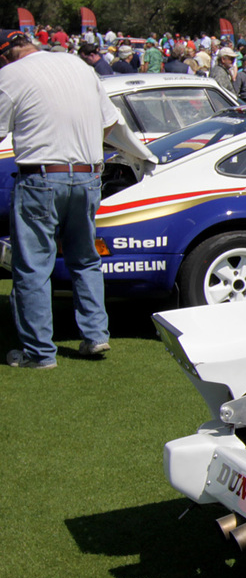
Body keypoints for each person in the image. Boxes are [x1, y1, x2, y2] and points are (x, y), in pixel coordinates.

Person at [0, 31, 155, 368]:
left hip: (42, 175)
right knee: (85, 259)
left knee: (32, 266)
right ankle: (96, 334)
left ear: (6, 55)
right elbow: (108, 123)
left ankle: (39, 353)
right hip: (87, 174)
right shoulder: (78, 65)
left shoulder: (10, 75)